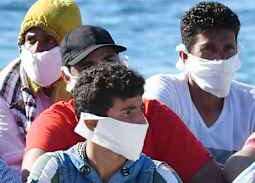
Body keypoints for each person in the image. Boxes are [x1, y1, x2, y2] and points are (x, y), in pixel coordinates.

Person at [21, 25, 225, 183]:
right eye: (87, 66)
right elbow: (30, 174)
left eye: (109, 60)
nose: (102, 71)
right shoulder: (54, 134)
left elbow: (210, 177)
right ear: (66, 77)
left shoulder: (152, 115)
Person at [0, 0, 81, 169]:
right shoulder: (2, 93)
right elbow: (7, 166)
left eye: (50, 40)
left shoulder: (86, 78)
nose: (37, 49)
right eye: (31, 40)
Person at [143, 1, 254, 165]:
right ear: (184, 56)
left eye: (228, 48)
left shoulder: (250, 103)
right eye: (209, 49)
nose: (220, 59)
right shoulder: (164, 91)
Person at [29, 64, 181, 183]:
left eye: (141, 109)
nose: (142, 121)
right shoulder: (53, 171)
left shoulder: (160, 176)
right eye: (128, 112)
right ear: (91, 124)